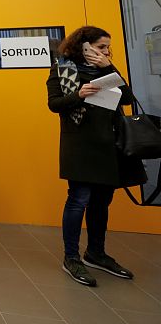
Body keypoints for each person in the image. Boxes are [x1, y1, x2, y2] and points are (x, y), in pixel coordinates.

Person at [47, 26, 147, 287]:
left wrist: (108, 67)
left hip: (109, 143)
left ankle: (96, 253)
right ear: (84, 46)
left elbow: (125, 98)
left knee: (102, 202)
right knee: (78, 200)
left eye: (107, 48)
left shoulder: (106, 69)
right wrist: (77, 95)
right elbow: (54, 104)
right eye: (101, 47)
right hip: (80, 144)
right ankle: (71, 257)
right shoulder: (62, 68)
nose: (105, 52)